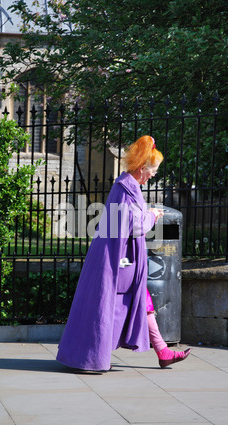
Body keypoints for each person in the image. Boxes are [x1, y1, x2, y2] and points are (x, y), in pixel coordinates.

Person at [57, 135, 190, 371]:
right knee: (111, 307)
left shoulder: (129, 187)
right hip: (118, 263)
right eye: (153, 171)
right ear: (141, 168)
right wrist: (153, 215)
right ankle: (91, 356)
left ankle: (163, 351)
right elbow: (133, 224)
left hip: (121, 262)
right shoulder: (125, 188)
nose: (153, 175)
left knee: (141, 302)